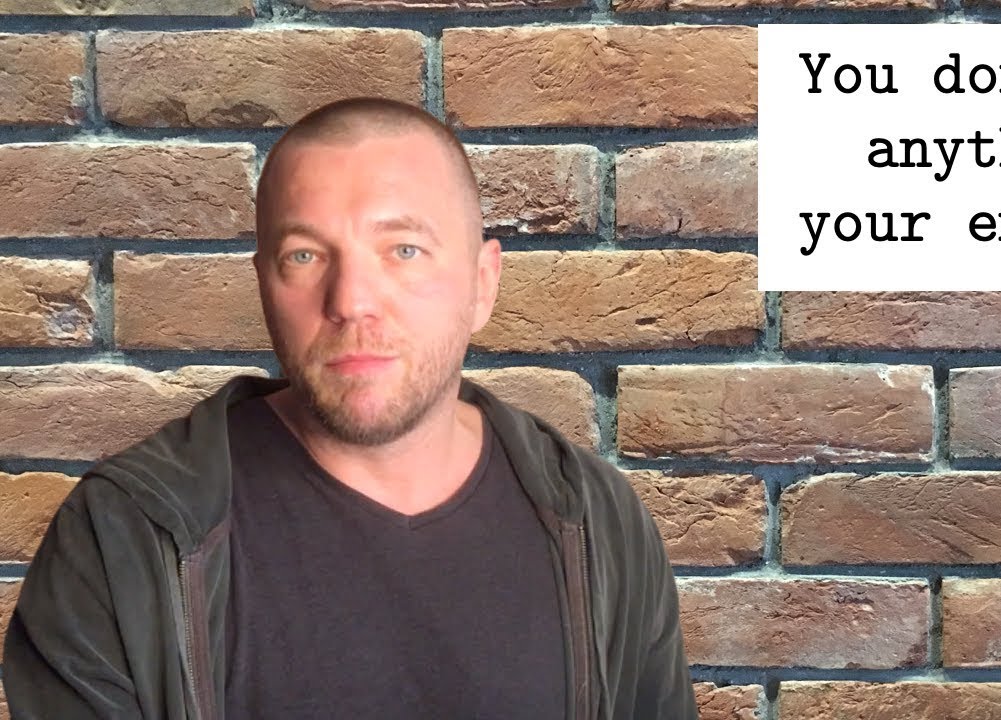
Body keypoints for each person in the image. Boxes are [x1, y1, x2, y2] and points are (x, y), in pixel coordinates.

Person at [3, 97, 698, 719]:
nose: (351, 300)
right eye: (305, 256)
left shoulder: (599, 524)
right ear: (264, 284)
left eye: (404, 250)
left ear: (482, 284)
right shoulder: (124, 539)